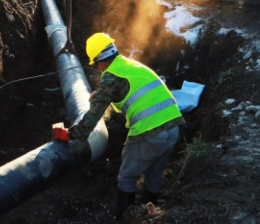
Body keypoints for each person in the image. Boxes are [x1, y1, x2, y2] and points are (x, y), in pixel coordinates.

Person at [67, 33, 184, 220]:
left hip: (150, 131)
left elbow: (93, 116)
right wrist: (104, 95)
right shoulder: (130, 65)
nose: (99, 69)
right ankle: (149, 213)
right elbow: (131, 96)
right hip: (173, 126)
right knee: (154, 172)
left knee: (127, 177)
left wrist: (72, 134)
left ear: (100, 61)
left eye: (97, 65)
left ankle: (124, 218)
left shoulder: (111, 76)